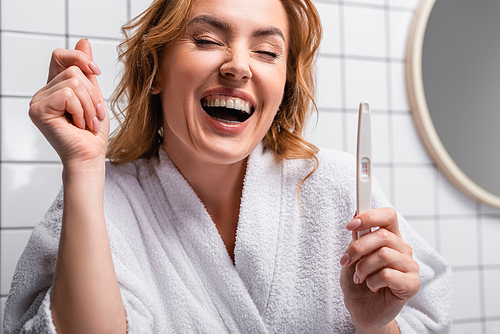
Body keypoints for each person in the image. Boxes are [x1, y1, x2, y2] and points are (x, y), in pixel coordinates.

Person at [3, 0, 452, 333]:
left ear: (283, 86)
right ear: (155, 69)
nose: (238, 66)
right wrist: (82, 168)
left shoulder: (340, 189)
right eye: (207, 40)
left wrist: (377, 325)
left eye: (268, 52)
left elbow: (428, 319)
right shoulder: (98, 201)